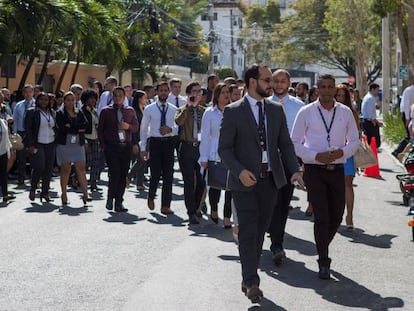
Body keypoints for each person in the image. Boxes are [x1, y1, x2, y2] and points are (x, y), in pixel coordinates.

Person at [218, 64, 303, 303]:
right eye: (267, 80)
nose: (272, 84)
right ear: (252, 82)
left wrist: (295, 172)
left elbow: (285, 145)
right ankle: (252, 281)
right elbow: (224, 149)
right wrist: (240, 170)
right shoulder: (233, 111)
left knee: (258, 233)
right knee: (247, 230)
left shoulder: (276, 110)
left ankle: (247, 276)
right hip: (243, 182)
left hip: (270, 182)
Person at [291, 74, 359, 280]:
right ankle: (323, 260)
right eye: (323, 87)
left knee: (337, 215)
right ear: (317, 89)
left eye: (331, 87)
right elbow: (294, 142)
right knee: (321, 216)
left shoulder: (345, 112)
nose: (327, 90)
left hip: (337, 169)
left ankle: (322, 245)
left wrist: (343, 152)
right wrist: (314, 156)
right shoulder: (306, 112)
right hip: (314, 170)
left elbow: (355, 140)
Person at [268, 69, 304, 265]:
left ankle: (277, 243)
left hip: (289, 161)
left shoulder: (299, 107)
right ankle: (270, 234)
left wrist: (300, 164)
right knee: (269, 202)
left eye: (283, 81)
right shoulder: (264, 104)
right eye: (276, 81)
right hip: (267, 161)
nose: (280, 84)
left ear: (289, 83)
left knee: (282, 203)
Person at [98, 86, 138, 212]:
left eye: (120, 95)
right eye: (115, 95)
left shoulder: (130, 111)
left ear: (124, 97)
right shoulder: (106, 111)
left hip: (125, 146)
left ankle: (119, 201)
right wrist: (103, 145)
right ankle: (110, 198)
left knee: (123, 174)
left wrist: (128, 127)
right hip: (112, 146)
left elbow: (136, 127)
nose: (118, 98)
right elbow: (100, 129)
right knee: (114, 173)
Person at [140, 82, 177, 215]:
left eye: (165, 90)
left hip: (168, 143)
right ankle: (151, 196)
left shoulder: (173, 109)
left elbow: (178, 127)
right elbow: (144, 129)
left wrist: (171, 129)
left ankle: (165, 205)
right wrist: (143, 147)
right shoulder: (149, 109)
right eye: (161, 90)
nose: (163, 93)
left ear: (168, 92)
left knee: (168, 174)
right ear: (157, 92)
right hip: (155, 143)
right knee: (155, 174)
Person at [199, 82, 232, 228]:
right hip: (214, 153)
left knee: (231, 186)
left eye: (227, 92)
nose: (226, 95)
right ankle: (213, 208)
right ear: (217, 95)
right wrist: (204, 157)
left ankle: (227, 216)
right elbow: (205, 136)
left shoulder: (234, 111)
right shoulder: (210, 113)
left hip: (232, 153)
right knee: (215, 185)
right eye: (223, 92)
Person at [175, 81, 206, 224]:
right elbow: (178, 122)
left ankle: (197, 206)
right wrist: (188, 107)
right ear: (188, 94)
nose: (197, 94)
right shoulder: (182, 109)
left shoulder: (204, 111)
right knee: (188, 182)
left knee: (201, 182)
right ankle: (191, 212)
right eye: (194, 91)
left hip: (200, 148)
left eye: (199, 91)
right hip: (186, 147)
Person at [55, 91, 90, 205]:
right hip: (65, 143)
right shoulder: (60, 113)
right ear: (64, 101)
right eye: (68, 100)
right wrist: (77, 128)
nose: (70, 102)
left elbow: (86, 125)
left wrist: (73, 127)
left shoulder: (78, 112)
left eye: (72, 100)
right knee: (66, 169)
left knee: (81, 168)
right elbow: (63, 128)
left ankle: (85, 194)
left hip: (77, 143)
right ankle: (64, 193)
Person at [335, 84, 360, 229]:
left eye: (343, 96)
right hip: (330, 152)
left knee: (348, 185)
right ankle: (336, 214)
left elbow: (356, 134)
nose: (340, 99)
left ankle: (349, 215)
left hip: (347, 152)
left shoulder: (351, 112)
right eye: (337, 95)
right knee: (334, 186)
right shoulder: (327, 111)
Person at [24, 92, 57, 202]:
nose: (44, 102)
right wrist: (30, 144)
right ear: (37, 100)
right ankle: (33, 188)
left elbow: (55, 127)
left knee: (48, 169)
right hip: (38, 143)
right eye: (41, 99)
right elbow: (28, 129)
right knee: (39, 166)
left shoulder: (52, 112)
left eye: (46, 100)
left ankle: (45, 192)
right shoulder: (32, 112)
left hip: (50, 142)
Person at [12, 84, 36, 185]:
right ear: (23, 93)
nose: (28, 94)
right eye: (26, 92)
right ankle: (21, 178)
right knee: (21, 157)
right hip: (21, 132)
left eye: (30, 92)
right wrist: (15, 133)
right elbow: (15, 120)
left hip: (32, 133)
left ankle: (34, 179)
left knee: (33, 156)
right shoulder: (19, 105)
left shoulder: (36, 104)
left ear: (33, 93)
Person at [81, 89, 101, 191]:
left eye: (94, 98)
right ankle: (78, 178)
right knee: (87, 162)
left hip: (95, 139)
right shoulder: (82, 111)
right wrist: (83, 141)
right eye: (90, 98)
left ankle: (93, 183)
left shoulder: (96, 111)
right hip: (86, 139)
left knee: (96, 161)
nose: (93, 100)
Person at [128, 90, 147, 190]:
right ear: (139, 99)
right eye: (144, 98)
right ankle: (129, 176)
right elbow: (133, 128)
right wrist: (134, 143)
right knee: (140, 159)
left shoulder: (144, 109)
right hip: (137, 138)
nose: (146, 100)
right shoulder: (134, 111)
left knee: (143, 160)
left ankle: (139, 183)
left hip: (144, 138)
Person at [361, 83, 382, 148]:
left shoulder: (367, 97)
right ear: (372, 89)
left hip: (366, 121)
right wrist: (374, 122)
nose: (377, 92)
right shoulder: (370, 98)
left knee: (369, 140)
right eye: (377, 90)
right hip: (369, 122)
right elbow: (370, 113)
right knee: (373, 142)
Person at [0, 114, 14, 204]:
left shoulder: (3, 122)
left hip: (3, 151)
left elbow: (6, 138)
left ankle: (5, 194)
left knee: (3, 173)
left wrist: (10, 149)